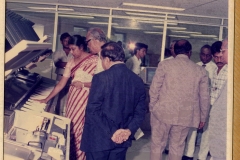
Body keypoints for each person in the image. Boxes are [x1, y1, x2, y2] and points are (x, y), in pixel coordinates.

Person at [33, 35, 98, 160]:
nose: (71, 52)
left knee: (82, 131)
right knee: (70, 128)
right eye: (70, 49)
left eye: (74, 49)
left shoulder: (95, 60)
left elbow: (101, 83)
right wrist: (46, 99)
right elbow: (61, 84)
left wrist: (84, 84)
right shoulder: (71, 62)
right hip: (73, 99)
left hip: (87, 99)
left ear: (81, 47)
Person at [80, 42, 146, 160]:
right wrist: (128, 131)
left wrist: (113, 132)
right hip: (122, 140)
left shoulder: (101, 78)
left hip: (99, 141)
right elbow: (140, 112)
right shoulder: (138, 81)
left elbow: (93, 110)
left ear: (107, 59)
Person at [149, 39, 210, 160]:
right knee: (177, 148)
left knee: (157, 145)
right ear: (190, 52)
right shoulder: (200, 71)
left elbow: (154, 88)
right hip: (185, 116)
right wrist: (203, 117)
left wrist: (153, 107)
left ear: (175, 52)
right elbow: (204, 97)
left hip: (162, 113)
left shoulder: (164, 65)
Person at [183, 44, 217, 160]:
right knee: (192, 129)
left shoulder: (215, 68)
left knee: (206, 131)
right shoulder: (194, 66)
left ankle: (202, 157)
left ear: (211, 56)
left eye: (208, 55)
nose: (205, 57)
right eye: (203, 54)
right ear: (200, 54)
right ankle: (188, 154)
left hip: (209, 104)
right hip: (195, 103)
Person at [208, 38, 228, 160]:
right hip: (212, 107)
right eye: (216, 57)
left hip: (223, 112)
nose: (219, 60)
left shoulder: (230, 71)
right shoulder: (213, 70)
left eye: (221, 56)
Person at [52, 32, 73, 116]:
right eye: (65, 41)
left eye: (68, 41)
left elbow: (76, 63)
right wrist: (70, 64)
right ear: (61, 42)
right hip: (60, 77)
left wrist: (64, 63)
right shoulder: (58, 53)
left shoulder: (73, 52)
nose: (67, 42)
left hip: (71, 78)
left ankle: (66, 115)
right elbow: (57, 64)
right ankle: (57, 115)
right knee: (58, 98)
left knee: (68, 98)